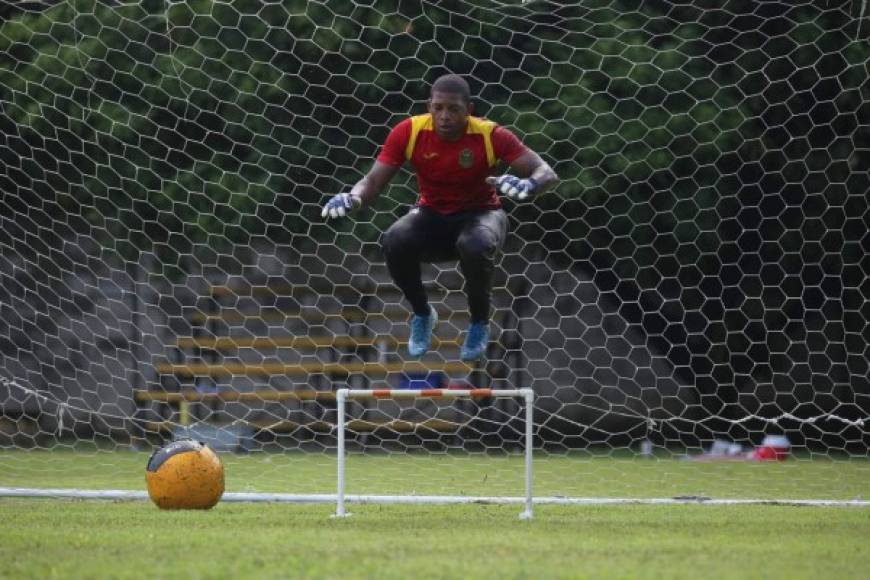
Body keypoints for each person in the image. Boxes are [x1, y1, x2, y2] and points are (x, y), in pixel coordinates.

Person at [322, 74, 558, 361]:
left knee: (475, 244)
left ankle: (479, 323)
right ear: (429, 106)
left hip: (481, 214)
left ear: (468, 109)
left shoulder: (489, 135)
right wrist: (352, 197)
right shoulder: (409, 132)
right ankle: (422, 314)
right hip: (432, 216)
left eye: (454, 109)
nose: (445, 116)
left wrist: (529, 184)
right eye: (438, 108)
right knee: (394, 239)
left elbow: (546, 173)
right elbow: (372, 182)